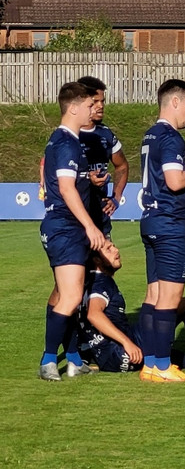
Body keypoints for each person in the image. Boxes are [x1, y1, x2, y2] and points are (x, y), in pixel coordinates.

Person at [138, 79, 185, 383]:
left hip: (152, 221)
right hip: (172, 225)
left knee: (154, 294)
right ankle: (163, 365)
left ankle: (150, 364)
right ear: (175, 102)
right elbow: (175, 181)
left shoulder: (150, 135)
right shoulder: (170, 138)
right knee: (170, 296)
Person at [79, 241, 185, 373]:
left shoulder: (88, 282)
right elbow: (94, 314)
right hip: (122, 352)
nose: (116, 250)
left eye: (113, 246)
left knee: (156, 329)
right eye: (109, 249)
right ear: (97, 260)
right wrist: (127, 343)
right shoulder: (101, 282)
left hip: (108, 358)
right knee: (181, 305)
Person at [38, 82, 106, 381]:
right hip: (66, 227)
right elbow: (65, 188)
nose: (94, 110)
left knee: (65, 295)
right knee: (71, 296)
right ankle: (48, 361)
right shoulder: (67, 142)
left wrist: (87, 180)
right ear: (75, 107)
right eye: (90, 105)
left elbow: (63, 180)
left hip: (62, 226)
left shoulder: (62, 140)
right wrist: (90, 226)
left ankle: (74, 359)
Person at [76, 76, 130, 242]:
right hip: (74, 220)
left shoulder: (105, 134)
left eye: (102, 101)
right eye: (95, 101)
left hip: (100, 219)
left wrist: (116, 197)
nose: (101, 106)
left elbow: (122, 166)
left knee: (109, 258)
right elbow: (55, 176)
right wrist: (86, 178)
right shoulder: (69, 135)